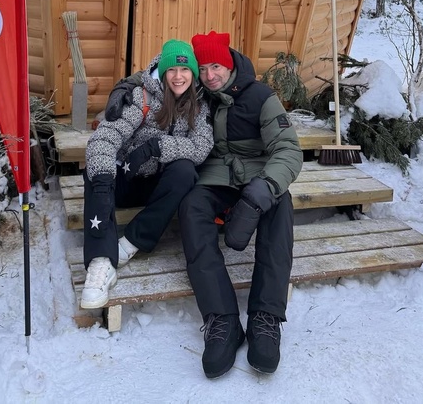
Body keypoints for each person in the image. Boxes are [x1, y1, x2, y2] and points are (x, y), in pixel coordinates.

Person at [105, 31, 303, 378]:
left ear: (229, 65)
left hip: (256, 177)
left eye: (217, 67)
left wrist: (264, 188)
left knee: (280, 203)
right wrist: (123, 88)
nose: (210, 75)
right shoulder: (197, 93)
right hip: (213, 179)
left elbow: (288, 149)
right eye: (205, 68)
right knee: (192, 206)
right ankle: (221, 319)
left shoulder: (261, 97)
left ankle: (266, 317)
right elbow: (158, 75)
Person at [81, 39, 213, 309]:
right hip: (126, 178)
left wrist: (157, 146)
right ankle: (100, 262)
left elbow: (201, 147)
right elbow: (104, 137)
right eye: (172, 70)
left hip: (156, 184)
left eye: (185, 70)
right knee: (96, 171)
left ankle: (132, 241)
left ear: (193, 73)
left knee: (185, 171)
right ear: (163, 72)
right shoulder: (141, 97)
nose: (178, 76)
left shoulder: (199, 105)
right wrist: (104, 182)